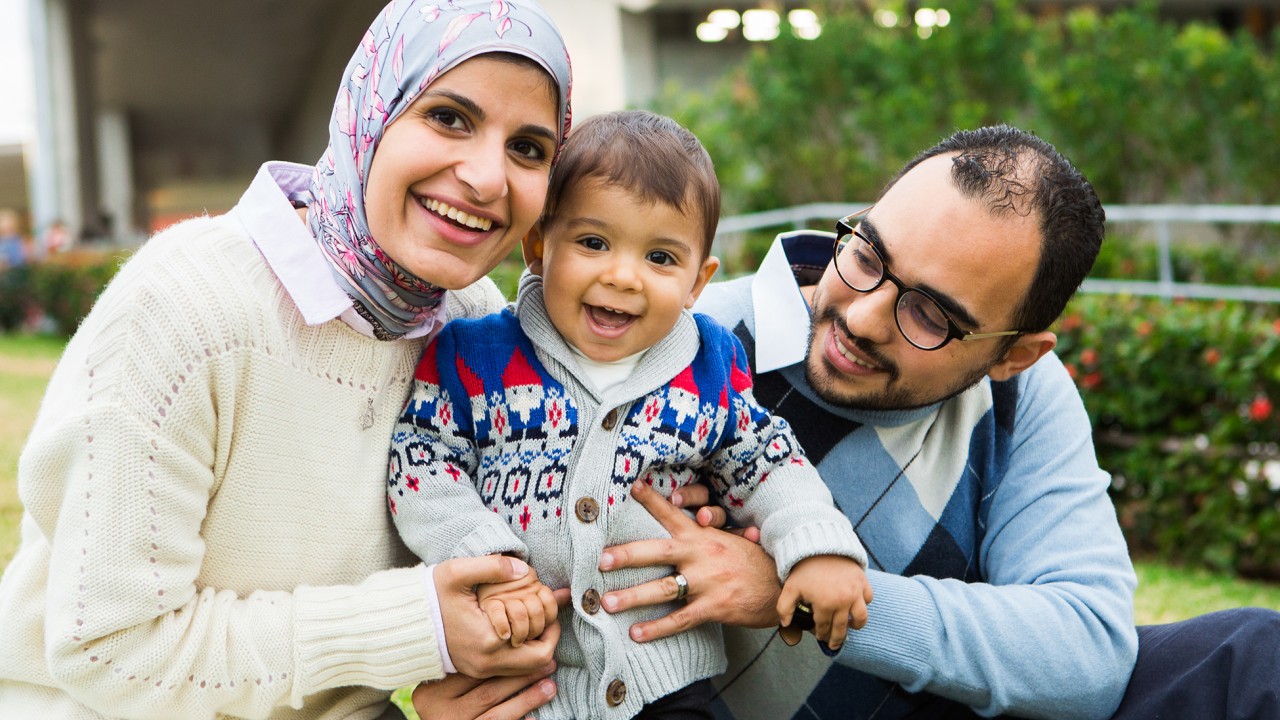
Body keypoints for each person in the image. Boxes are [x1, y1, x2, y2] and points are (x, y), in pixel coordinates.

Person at [415, 124, 1280, 719]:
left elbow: (1087, 653)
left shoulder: (1020, 398)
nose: (862, 316)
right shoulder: (670, 342)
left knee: (1251, 655)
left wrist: (797, 591)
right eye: (866, 254)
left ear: (1014, 353)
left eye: (932, 314)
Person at [0, 1, 575, 718]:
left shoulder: (473, 326)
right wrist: (416, 628)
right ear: (371, 112)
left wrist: (700, 545)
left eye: (528, 149)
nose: (488, 178)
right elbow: (109, 651)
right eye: (449, 117)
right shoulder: (185, 305)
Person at [387, 109, 871, 720]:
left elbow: (766, 462)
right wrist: (489, 563)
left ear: (697, 282)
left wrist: (816, 545)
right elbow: (421, 464)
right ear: (538, 247)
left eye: (661, 257)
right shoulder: (474, 355)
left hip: (664, 680)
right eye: (593, 243)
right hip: (525, 682)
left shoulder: (708, 363)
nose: (622, 276)